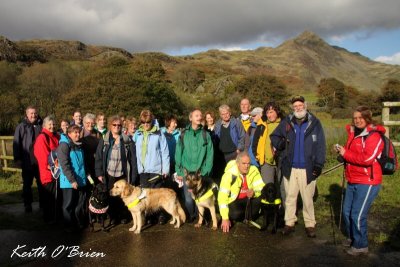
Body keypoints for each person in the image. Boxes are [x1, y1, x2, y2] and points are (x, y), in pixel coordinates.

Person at [270, 96, 326, 238]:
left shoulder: (314, 123)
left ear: (305, 106)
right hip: (291, 166)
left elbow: (321, 145)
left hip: (308, 167)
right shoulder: (287, 122)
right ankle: (289, 223)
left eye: (300, 105)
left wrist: (319, 165)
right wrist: (280, 145)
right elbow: (274, 136)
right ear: (292, 108)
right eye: (295, 106)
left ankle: (310, 224)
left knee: (308, 198)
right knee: (290, 197)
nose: (298, 108)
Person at [336, 106, 384, 256]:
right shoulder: (354, 133)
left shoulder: (374, 136)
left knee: (357, 214)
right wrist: (341, 152)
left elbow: (367, 159)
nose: (357, 120)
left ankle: (361, 245)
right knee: (346, 211)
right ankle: (353, 238)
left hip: (368, 181)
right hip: (352, 178)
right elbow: (350, 152)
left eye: (360, 117)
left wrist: (346, 153)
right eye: (355, 118)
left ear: (367, 118)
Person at [95, 115, 138, 224]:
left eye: (119, 125)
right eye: (114, 125)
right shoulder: (104, 140)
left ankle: (123, 216)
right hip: (109, 173)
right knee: (111, 197)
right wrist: (99, 173)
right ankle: (113, 217)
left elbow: (133, 159)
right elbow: (99, 157)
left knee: (124, 196)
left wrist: (133, 176)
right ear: (110, 126)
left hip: (123, 173)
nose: (117, 127)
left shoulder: (127, 140)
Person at [175, 109, 214, 221]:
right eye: (196, 115)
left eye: (200, 115)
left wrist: (206, 171)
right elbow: (178, 153)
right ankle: (192, 216)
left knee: (201, 198)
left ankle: (199, 218)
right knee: (188, 199)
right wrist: (179, 171)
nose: (199, 117)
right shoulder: (183, 134)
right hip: (186, 173)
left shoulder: (206, 135)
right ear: (190, 118)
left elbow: (210, 154)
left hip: (200, 173)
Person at [134, 110, 169, 224]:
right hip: (143, 170)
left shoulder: (159, 133)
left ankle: (161, 215)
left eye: (148, 122)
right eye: (143, 122)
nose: (145, 125)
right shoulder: (137, 134)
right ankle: (149, 216)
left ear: (152, 121)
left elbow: (164, 152)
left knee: (157, 195)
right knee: (145, 196)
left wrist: (165, 169)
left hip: (156, 169)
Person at [218, 151, 265, 233]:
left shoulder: (254, 170)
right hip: (234, 201)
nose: (247, 166)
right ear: (237, 164)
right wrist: (225, 218)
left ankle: (247, 216)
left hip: (248, 199)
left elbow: (261, 188)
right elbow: (222, 197)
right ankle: (240, 216)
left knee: (262, 200)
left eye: (248, 163)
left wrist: (254, 192)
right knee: (236, 214)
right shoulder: (228, 175)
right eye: (244, 163)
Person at [13, 106, 43, 213]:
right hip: (27, 161)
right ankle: (27, 204)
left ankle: (42, 204)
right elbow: (17, 143)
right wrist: (17, 158)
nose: (33, 115)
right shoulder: (21, 127)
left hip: (40, 162)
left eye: (35, 113)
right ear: (27, 114)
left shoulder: (41, 126)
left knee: (42, 184)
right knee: (27, 185)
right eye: (31, 113)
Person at [57, 125, 87, 232]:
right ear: (69, 134)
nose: (78, 134)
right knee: (68, 205)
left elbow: (82, 164)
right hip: (69, 182)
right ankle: (68, 225)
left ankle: (78, 222)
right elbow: (64, 165)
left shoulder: (79, 145)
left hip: (80, 180)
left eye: (79, 132)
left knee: (79, 203)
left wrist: (86, 175)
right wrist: (72, 180)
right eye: (75, 132)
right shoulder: (64, 146)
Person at [33, 116, 60, 223]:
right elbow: (42, 157)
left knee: (56, 197)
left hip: (57, 172)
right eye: (50, 124)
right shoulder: (42, 138)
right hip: (48, 173)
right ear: (44, 125)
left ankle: (55, 217)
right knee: (49, 197)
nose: (52, 126)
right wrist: (52, 167)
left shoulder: (56, 136)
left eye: (53, 124)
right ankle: (48, 219)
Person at [252, 102, 283, 184]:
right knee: (268, 188)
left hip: (282, 162)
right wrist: (257, 156)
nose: (269, 115)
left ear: (277, 112)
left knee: (283, 189)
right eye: (267, 113)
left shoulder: (284, 124)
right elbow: (255, 142)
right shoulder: (262, 125)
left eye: (271, 112)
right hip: (266, 162)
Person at [80, 113, 101, 184]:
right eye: (88, 123)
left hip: (95, 164)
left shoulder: (98, 134)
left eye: (92, 123)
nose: (90, 125)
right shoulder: (79, 134)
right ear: (83, 123)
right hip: (83, 163)